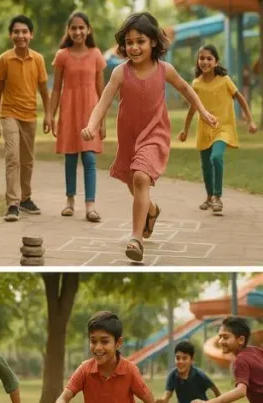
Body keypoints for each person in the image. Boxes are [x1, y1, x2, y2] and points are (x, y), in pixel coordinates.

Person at [81, 11, 217, 262]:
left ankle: (136, 238)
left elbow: (187, 89)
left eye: (140, 41)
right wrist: (91, 124)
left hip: (155, 132)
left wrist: (203, 111)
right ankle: (151, 211)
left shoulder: (165, 70)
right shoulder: (121, 72)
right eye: (129, 42)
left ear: (153, 41)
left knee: (142, 177)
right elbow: (103, 102)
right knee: (133, 181)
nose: (134, 47)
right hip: (129, 135)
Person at [178, 44, 258, 214]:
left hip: (224, 127)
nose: (205, 61)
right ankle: (209, 197)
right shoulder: (196, 84)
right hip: (204, 129)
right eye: (201, 58)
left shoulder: (225, 80)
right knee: (206, 166)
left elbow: (241, 99)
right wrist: (185, 130)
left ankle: (217, 197)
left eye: (209, 58)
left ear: (216, 62)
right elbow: (193, 108)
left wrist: (250, 120)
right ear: (197, 61)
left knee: (216, 157)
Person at [0, 15, 51, 222]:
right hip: (9, 114)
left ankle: (26, 198)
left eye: (24, 32)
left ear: (31, 35)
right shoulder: (5, 59)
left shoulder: (38, 59)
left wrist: (49, 115)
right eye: (16, 32)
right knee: (13, 157)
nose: (20, 35)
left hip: (30, 116)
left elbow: (44, 92)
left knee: (27, 161)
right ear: (11, 35)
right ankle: (12, 203)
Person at [49, 12, 105, 222]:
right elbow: (55, 90)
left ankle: (90, 205)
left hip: (91, 112)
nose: (78, 31)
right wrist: (50, 115)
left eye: (82, 28)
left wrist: (102, 121)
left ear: (88, 30)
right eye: (74, 28)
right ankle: (69, 201)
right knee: (70, 157)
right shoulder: (62, 55)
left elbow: (102, 91)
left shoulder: (96, 54)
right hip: (69, 110)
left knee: (89, 158)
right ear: (68, 31)